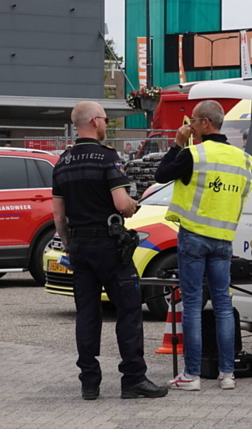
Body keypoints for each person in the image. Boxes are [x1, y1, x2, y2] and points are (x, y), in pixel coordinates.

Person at [52, 101, 168, 400]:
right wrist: (132, 206)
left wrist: (68, 243)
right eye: (104, 119)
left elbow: (58, 216)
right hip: (109, 245)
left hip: (79, 246)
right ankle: (133, 379)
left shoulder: (63, 162)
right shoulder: (107, 158)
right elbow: (121, 203)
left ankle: (89, 383)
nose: (106, 124)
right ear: (94, 121)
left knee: (87, 315)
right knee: (128, 311)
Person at [155, 100, 252, 391]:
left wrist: (177, 144)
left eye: (193, 121)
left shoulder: (194, 154)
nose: (190, 126)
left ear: (206, 123)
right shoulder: (244, 159)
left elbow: (161, 175)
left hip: (194, 237)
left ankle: (192, 376)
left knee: (194, 305)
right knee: (223, 305)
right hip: (223, 239)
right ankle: (227, 375)